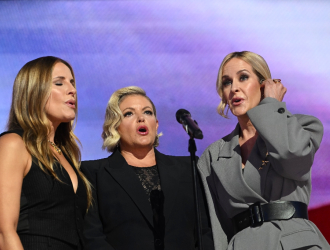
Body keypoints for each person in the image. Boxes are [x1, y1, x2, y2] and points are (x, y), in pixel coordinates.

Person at [197, 51, 330, 250]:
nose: (234, 88)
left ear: (264, 84)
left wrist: (272, 105)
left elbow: (292, 159)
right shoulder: (212, 156)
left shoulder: (303, 126)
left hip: (296, 244)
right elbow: (218, 227)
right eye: (227, 82)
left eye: (243, 77)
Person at [82, 86, 214, 250]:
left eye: (147, 112)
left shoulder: (188, 168)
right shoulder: (94, 173)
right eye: (129, 113)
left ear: (156, 124)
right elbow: (92, 237)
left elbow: (205, 233)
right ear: (114, 126)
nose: (141, 118)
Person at [0, 56, 92, 250]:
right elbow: (3, 231)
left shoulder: (65, 153)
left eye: (72, 82)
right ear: (35, 91)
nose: (72, 90)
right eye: (59, 83)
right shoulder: (13, 144)